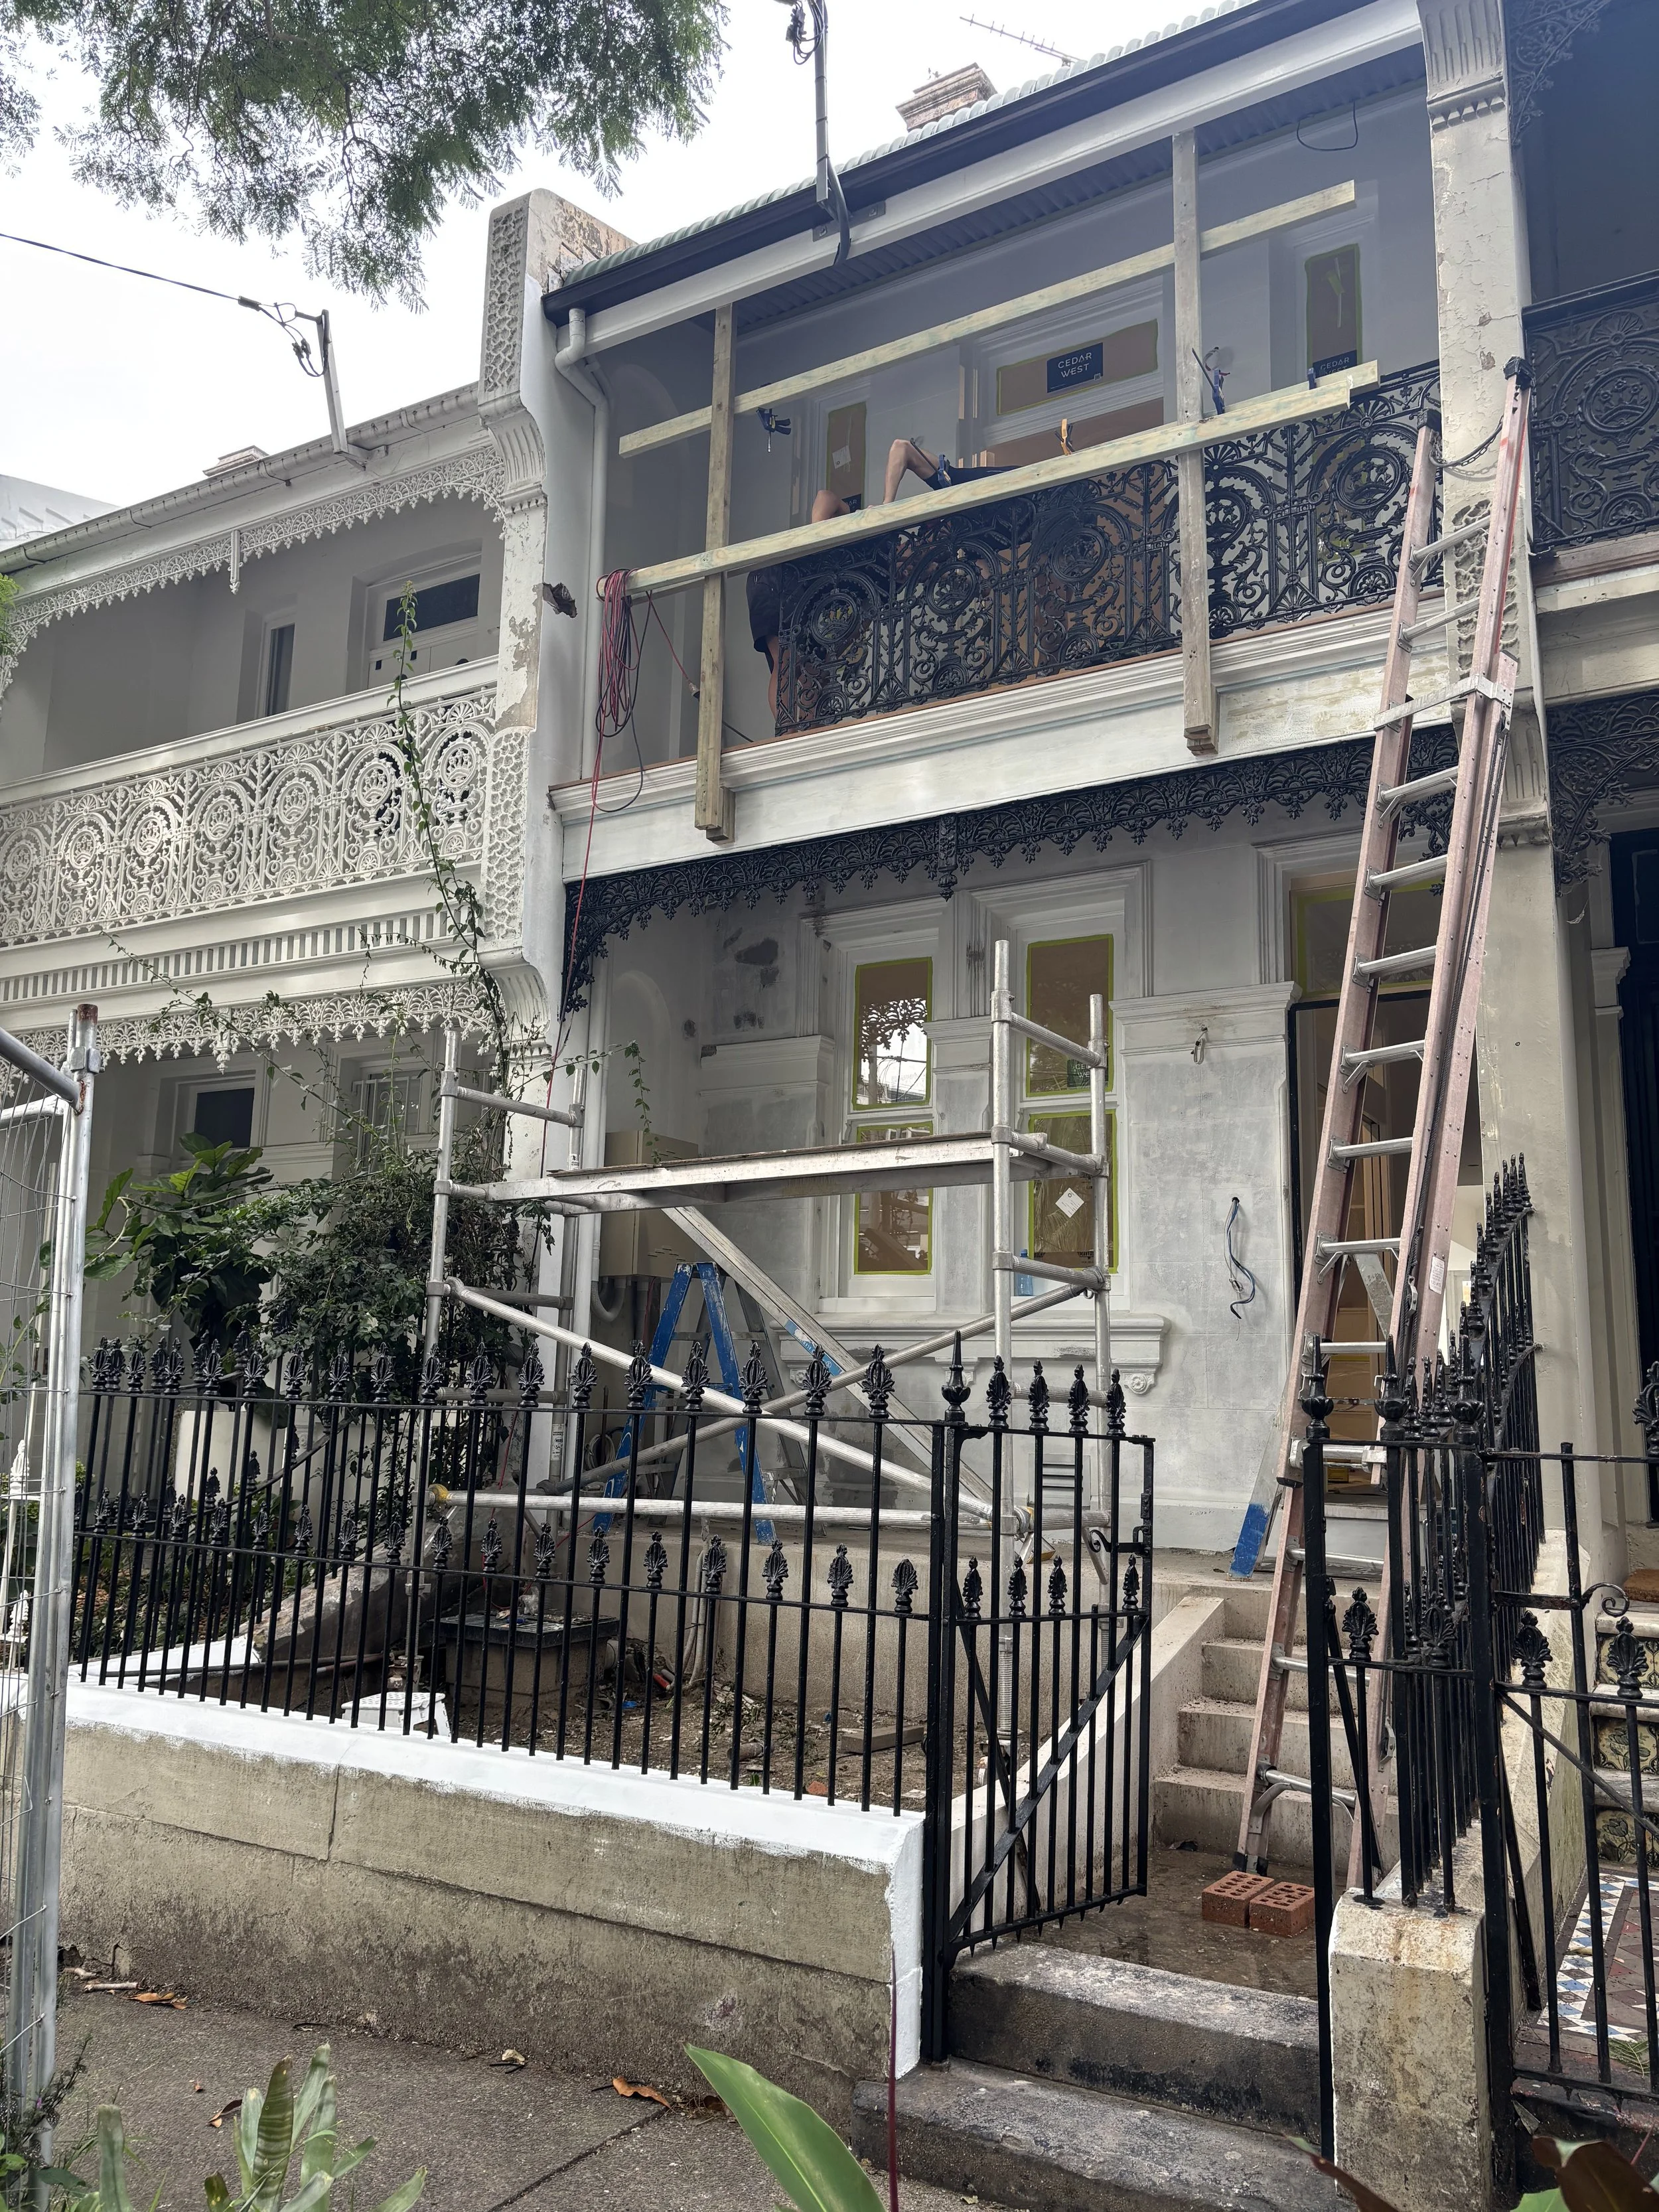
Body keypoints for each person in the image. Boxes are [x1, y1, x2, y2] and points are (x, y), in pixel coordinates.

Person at [748, 439, 1010, 719]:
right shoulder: (875, 534)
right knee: (786, 662)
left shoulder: (883, 587)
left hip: (809, 600)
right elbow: (825, 497)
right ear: (905, 544)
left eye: (922, 572)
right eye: (915, 558)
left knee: (815, 670)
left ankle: (811, 731)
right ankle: (786, 734)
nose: (913, 570)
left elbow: (859, 625)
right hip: (778, 575)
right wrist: (818, 543)